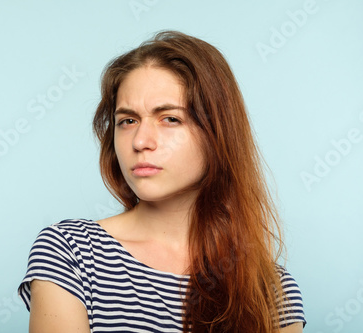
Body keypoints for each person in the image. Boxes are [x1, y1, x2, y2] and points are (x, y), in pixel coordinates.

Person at [18, 30, 306, 333]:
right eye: (127, 121)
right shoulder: (70, 252)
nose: (141, 141)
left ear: (218, 133)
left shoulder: (271, 289)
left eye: (170, 118)